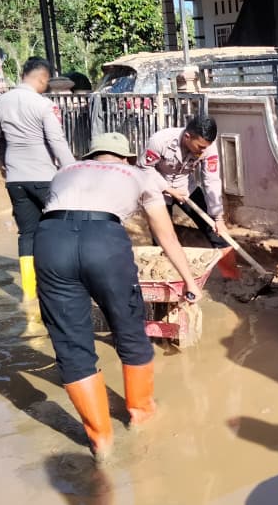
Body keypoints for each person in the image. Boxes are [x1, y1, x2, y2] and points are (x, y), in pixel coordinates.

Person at [34, 132, 202, 462]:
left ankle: (101, 442)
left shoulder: (65, 171)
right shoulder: (140, 174)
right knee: (129, 328)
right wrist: (188, 280)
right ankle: (142, 415)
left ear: (91, 156)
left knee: (70, 344)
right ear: (126, 158)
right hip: (104, 242)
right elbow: (165, 234)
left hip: (50, 241)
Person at [0, 56, 75, 300]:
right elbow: (56, 140)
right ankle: (59, 282)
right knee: (61, 228)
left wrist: (8, 161)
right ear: (43, 78)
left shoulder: (0, 103)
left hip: (15, 179)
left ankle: (28, 292)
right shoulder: (42, 105)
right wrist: (72, 171)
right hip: (44, 176)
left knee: (27, 233)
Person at [139, 116, 239, 280]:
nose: (203, 151)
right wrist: (168, 189)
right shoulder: (160, 141)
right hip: (158, 190)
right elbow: (144, 169)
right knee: (162, 237)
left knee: (217, 232)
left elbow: (212, 180)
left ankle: (232, 278)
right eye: (200, 147)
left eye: (206, 147)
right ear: (187, 136)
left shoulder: (208, 147)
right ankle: (165, 277)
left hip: (186, 188)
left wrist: (218, 217)